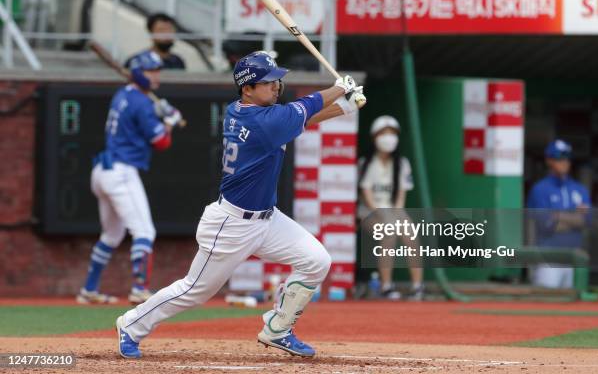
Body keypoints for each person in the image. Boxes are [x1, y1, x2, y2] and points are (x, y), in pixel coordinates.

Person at [115, 50, 367, 359]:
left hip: (266, 219)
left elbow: (295, 121)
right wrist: (341, 88)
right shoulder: (263, 120)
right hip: (231, 224)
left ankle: (278, 328)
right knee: (196, 290)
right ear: (247, 88)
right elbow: (305, 108)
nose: (276, 86)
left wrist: (344, 107)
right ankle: (131, 324)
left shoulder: (245, 111)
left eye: (277, 81)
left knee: (316, 260)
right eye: (268, 82)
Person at [76, 51, 184, 305]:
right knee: (145, 230)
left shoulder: (124, 94)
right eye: (151, 71)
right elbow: (161, 142)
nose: (156, 75)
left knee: (112, 234)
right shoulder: (142, 103)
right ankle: (139, 288)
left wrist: (158, 110)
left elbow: (140, 111)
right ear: (139, 73)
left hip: (102, 171)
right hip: (121, 172)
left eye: (157, 70)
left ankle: (89, 290)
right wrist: (169, 120)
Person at [358, 115, 424, 300]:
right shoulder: (367, 163)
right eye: (383, 133)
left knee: (411, 232)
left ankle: (417, 286)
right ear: (374, 137)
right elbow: (366, 194)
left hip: (393, 210)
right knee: (389, 232)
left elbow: (401, 196)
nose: (388, 138)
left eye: (392, 134)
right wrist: (386, 217)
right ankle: (386, 286)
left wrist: (395, 215)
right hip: (369, 212)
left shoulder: (402, 164)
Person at [527, 139, 591, 289]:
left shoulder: (579, 189)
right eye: (559, 157)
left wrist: (558, 215)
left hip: (574, 258)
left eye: (567, 157)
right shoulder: (540, 189)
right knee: (545, 307)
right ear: (548, 160)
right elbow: (546, 225)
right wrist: (574, 218)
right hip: (549, 259)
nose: (564, 161)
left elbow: (587, 221)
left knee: (574, 309)